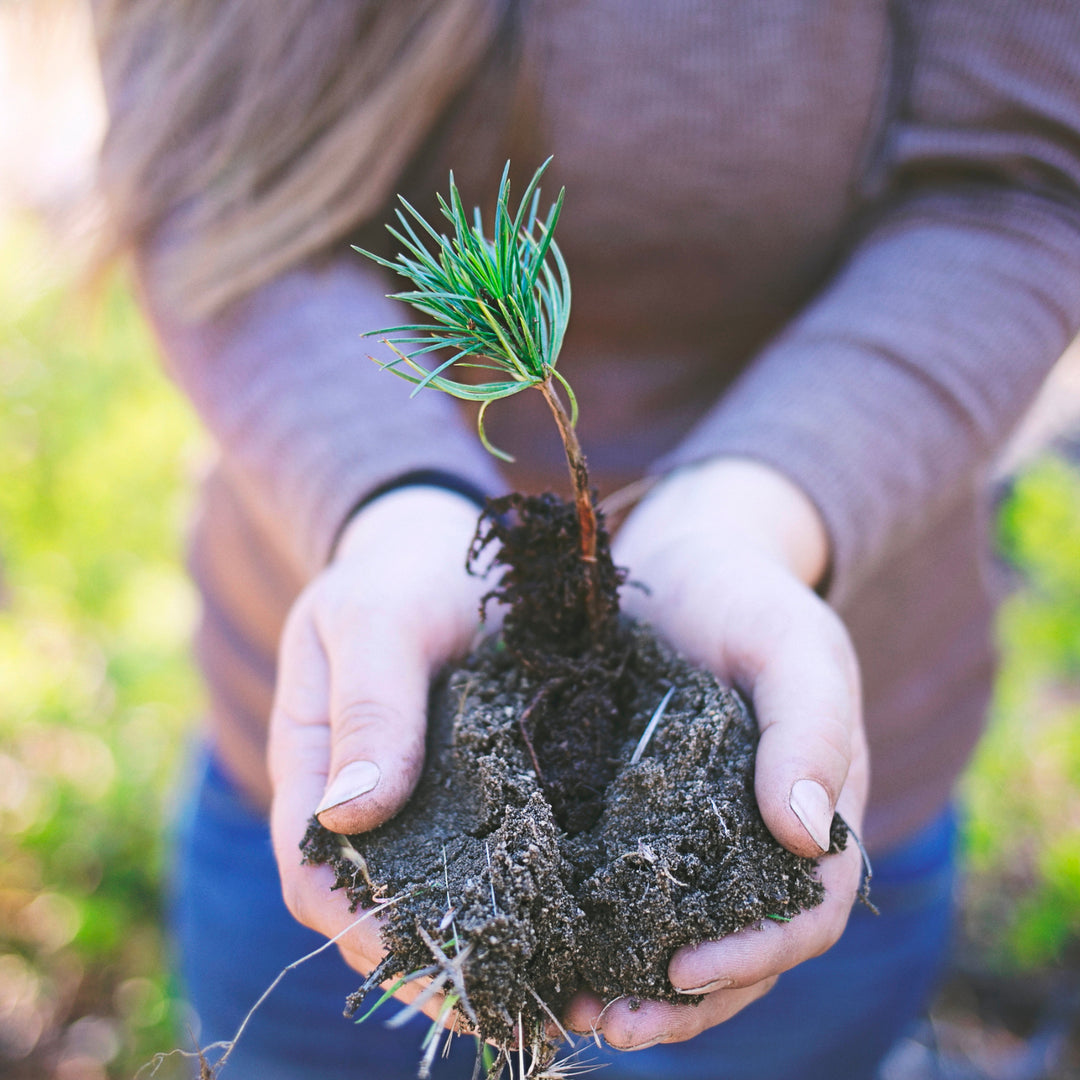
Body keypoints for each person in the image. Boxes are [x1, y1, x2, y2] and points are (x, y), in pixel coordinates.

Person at [92, 2, 1080, 1077]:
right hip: (329, 713)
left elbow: (1019, 181)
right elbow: (202, 172)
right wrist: (393, 502)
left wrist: (749, 520)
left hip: (811, 720)